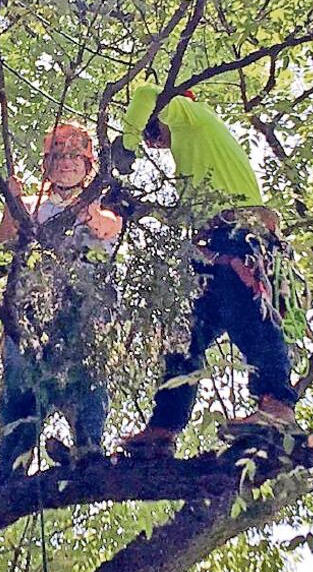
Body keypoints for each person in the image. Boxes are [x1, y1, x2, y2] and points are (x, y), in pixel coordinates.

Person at [117, 83, 302, 459]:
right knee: (183, 337)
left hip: (238, 238)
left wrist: (128, 143)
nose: (156, 142)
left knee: (250, 313)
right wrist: (140, 210)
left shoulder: (192, 116)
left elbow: (145, 93)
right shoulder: (197, 156)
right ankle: (165, 427)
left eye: (154, 130)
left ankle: (277, 406)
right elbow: (195, 213)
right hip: (213, 246)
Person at [0, 123, 122, 486]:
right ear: (47, 163)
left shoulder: (101, 206)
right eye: (59, 156)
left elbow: (107, 230)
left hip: (83, 309)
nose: (66, 163)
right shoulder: (31, 206)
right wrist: (12, 203)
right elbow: (6, 239)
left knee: (89, 375)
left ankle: (88, 447)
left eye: (75, 157)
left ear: (88, 164)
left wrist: (86, 207)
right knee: (19, 382)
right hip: (31, 311)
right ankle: (9, 468)